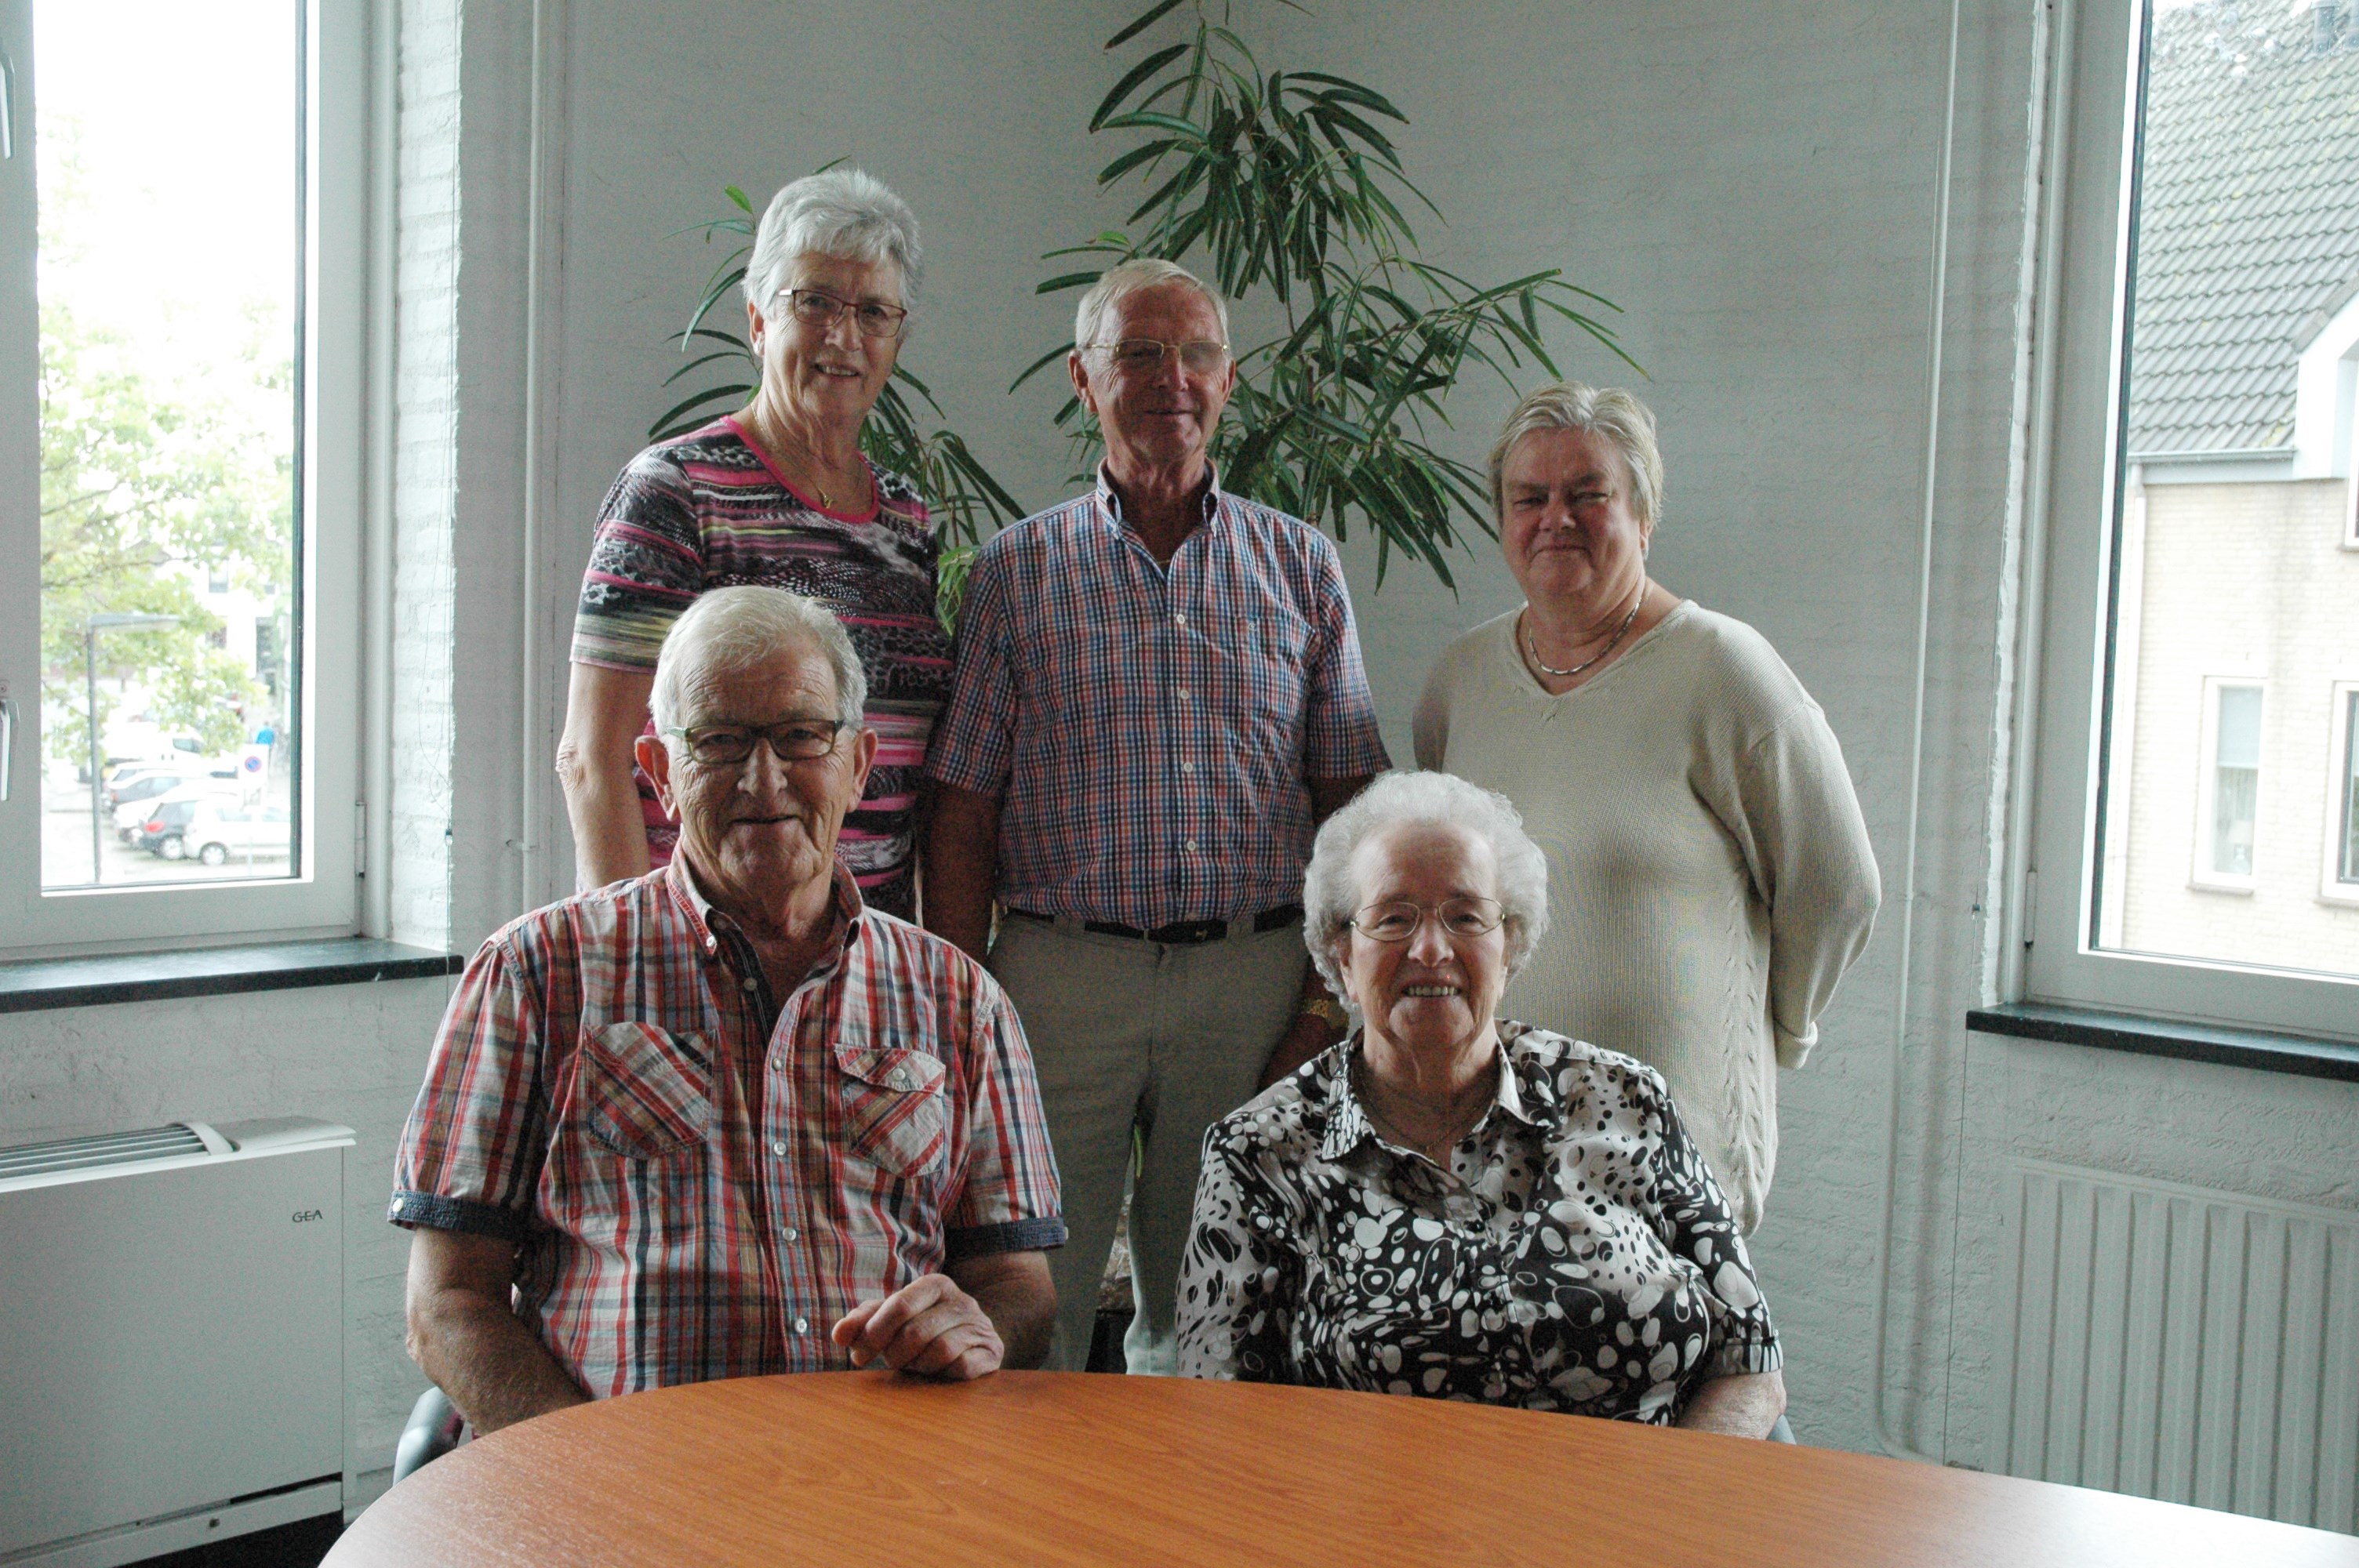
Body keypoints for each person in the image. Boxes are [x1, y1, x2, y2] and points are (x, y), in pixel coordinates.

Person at [392, 587, 1063, 1433]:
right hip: (627, 1490)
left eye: (800, 735)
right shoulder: (536, 974)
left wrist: (975, 1327)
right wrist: (577, 1471)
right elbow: (448, 1303)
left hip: (886, 1480)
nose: (764, 777)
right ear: (660, 771)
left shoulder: (960, 999)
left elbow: (1020, 1287)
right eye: (718, 740)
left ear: (858, 763)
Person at [924, 258, 1390, 1374]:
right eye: (1137, 352)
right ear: (1085, 382)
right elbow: (961, 810)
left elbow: (1354, 807)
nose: (1169, 377)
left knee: (1217, 1316)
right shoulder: (1014, 573)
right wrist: (955, 998)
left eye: (1195, 354)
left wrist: (1329, 1007)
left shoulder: (1302, 567)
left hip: (1251, 977)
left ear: (1230, 381)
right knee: (1024, 1288)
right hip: (1059, 979)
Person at [1176, 771, 1786, 1435]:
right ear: (1342, 957)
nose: (1431, 949)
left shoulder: (1625, 1096)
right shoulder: (1258, 1155)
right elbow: (1225, 1421)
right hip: (1383, 1525)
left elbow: (1747, 1363)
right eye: (1393, 919)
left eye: (1465, 917)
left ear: (1509, 944)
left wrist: (1672, 1523)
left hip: (1644, 1513)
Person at [1412, 383, 1879, 1233]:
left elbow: (1836, 888)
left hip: (1668, 1152)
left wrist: (1774, 1029)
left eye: (1588, 493)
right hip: (1490, 1147)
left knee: (1669, 1368)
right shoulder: (1461, 680)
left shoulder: (1725, 672)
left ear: (1641, 513)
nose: (1557, 517)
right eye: (1530, 497)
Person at [559, 168, 947, 920]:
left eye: (873, 312)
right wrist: (639, 951)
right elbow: (593, 758)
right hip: (713, 941)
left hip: (866, 946)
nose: (844, 336)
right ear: (759, 320)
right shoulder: (675, 491)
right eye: (815, 303)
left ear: (897, 338)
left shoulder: (905, 517)